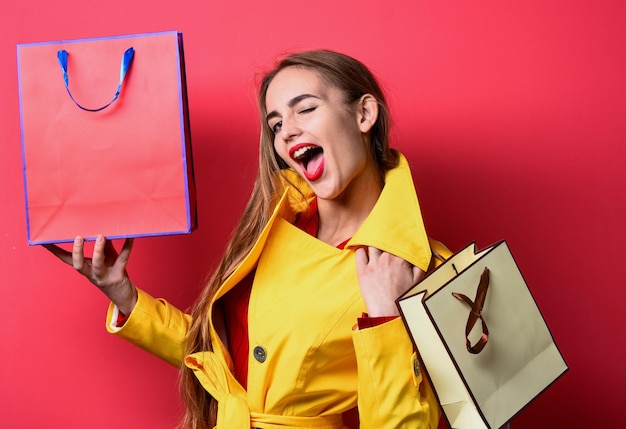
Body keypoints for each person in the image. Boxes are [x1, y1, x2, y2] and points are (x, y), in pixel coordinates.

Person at [45, 49, 450, 429]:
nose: (287, 132)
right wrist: (125, 297)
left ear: (364, 114)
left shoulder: (421, 268)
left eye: (306, 109)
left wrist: (386, 320)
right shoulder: (275, 228)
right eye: (275, 124)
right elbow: (234, 366)